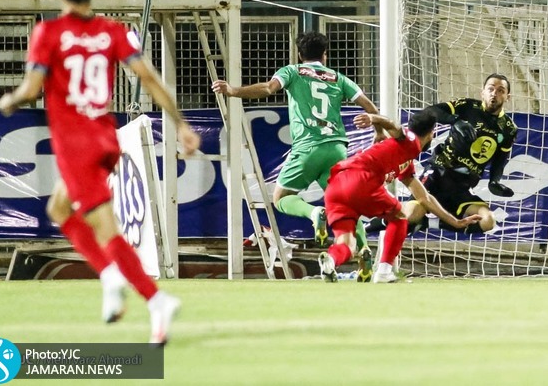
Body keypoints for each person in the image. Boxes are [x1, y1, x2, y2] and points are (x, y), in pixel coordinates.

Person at [0, 0, 201, 345]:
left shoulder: (48, 32)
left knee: (107, 231)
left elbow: (32, 89)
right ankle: (109, 277)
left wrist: (10, 100)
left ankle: (156, 299)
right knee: (59, 209)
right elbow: (148, 77)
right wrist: (181, 124)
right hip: (105, 139)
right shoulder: (112, 31)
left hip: (75, 144)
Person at [211, 31, 382, 280]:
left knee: (281, 197)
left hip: (308, 148)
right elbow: (370, 107)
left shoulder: (291, 71)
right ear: (325, 55)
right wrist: (378, 131)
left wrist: (233, 90)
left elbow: (268, 89)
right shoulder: (338, 78)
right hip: (337, 148)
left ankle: (314, 213)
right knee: (346, 204)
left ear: (300, 54)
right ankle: (364, 251)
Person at [318, 110, 481, 283]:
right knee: (400, 217)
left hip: (335, 187)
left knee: (347, 245)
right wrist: (374, 118)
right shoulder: (411, 141)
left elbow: (424, 197)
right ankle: (384, 272)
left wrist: (455, 222)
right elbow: (395, 127)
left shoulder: (404, 159)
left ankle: (330, 261)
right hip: (360, 179)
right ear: (431, 133)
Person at [366, 73, 517, 235]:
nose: (494, 93)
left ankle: (426, 223)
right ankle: (374, 225)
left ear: (507, 97)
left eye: (500, 90)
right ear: (483, 92)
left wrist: (494, 181)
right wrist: (455, 120)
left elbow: (500, 159)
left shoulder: (509, 129)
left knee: (488, 221)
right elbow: (431, 112)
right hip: (438, 173)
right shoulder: (467, 106)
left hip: (462, 186)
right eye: (491, 89)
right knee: (410, 216)